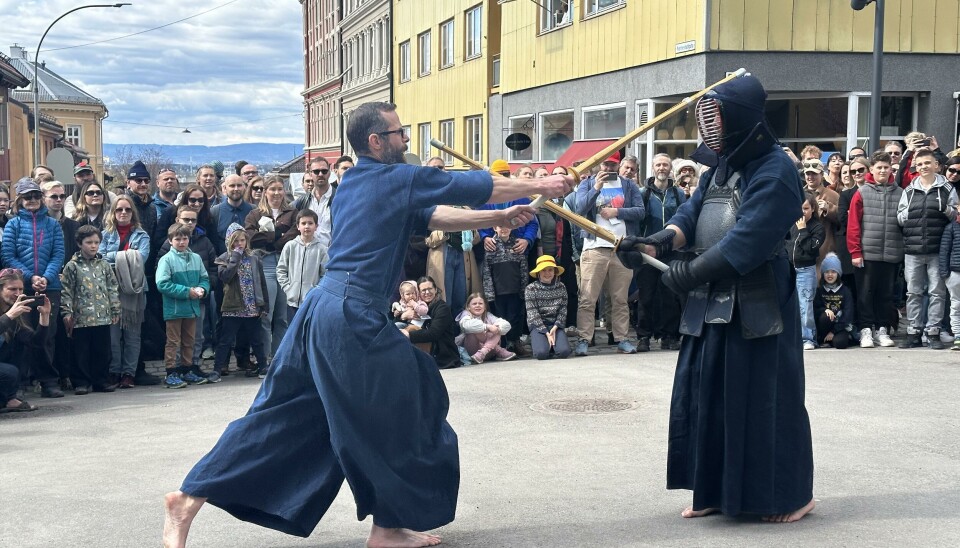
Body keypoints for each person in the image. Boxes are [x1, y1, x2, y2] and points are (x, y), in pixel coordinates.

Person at [163, 101, 575, 548]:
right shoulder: (395, 177)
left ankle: (188, 498)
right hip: (351, 316)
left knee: (287, 412)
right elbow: (472, 184)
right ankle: (388, 527)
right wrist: (544, 184)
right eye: (399, 133)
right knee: (414, 400)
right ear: (376, 141)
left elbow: (433, 215)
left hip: (322, 312)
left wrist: (498, 217)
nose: (406, 140)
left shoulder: (355, 183)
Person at [617, 74, 814, 522]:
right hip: (712, 299)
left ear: (739, 118)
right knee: (706, 395)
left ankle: (791, 495)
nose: (710, 127)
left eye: (717, 117)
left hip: (759, 301)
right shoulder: (721, 167)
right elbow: (691, 213)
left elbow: (747, 241)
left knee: (766, 400)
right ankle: (714, 491)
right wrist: (655, 244)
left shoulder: (777, 170)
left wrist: (686, 274)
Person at [1, 178, 66, 398]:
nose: (32, 200)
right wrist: (31, 277)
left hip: (50, 287)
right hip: (24, 288)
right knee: (22, 334)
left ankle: (48, 381)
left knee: (47, 335)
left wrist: (46, 277)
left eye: (36, 196)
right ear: (20, 199)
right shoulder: (13, 224)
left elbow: (59, 253)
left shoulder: (53, 224)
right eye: (27, 197)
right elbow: (8, 256)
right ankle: (18, 382)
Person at [896, 148, 957, 349]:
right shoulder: (909, 190)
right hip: (912, 250)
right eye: (920, 164)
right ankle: (914, 331)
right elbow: (900, 217)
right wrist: (908, 217)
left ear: (936, 165)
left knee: (937, 292)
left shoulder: (947, 188)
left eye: (927, 163)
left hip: (937, 249)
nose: (923, 167)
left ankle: (933, 332)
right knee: (913, 292)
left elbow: (955, 215)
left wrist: (946, 210)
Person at [846, 152, 903, 348]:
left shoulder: (901, 193)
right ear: (871, 169)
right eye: (879, 167)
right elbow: (853, 224)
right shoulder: (861, 193)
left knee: (886, 295)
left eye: (886, 167)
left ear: (891, 168)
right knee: (865, 294)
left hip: (891, 253)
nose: (883, 170)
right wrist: (855, 252)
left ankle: (882, 329)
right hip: (867, 253)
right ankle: (866, 330)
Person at [159, 206, 220, 382]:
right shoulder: (166, 260)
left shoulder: (195, 258)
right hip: (174, 308)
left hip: (193, 308)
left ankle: (187, 370)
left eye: (184, 238)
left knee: (189, 341)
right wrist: (187, 292)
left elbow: (204, 278)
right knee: (173, 342)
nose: (181, 242)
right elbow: (162, 284)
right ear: (170, 241)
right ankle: (171, 372)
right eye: (177, 239)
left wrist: (203, 289)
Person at [244, 176, 298, 368]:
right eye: (272, 189)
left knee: (282, 317)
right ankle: (265, 359)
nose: (276, 193)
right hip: (265, 264)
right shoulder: (254, 214)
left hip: (287, 265)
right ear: (265, 192)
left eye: (279, 189)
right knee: (266, 314)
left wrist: (270, 237)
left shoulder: (292, 213)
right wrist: (278, 234)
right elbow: (252, 238)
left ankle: (279, 357)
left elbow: (293, 235)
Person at [60, 225, 120, 394]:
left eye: (96, 242)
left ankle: (100, 380)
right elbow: (67, 291)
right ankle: (81, 382)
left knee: (102, 350)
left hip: (102, 316)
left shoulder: (104, 265)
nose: (93, 246)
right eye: (89, 242)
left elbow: (112, 288)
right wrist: (67, 313)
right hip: (81, 317)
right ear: (79, 244)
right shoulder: (72, 266)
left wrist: (115, 309)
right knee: (81, 351)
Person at [100, 196, 150, 388]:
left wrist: (118, 258)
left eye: (127, 210)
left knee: (132, 336)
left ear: (132, 213)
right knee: (112, 336)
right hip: (111, 290)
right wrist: (129, 255)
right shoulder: (105, 235)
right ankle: (114, 371)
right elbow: (102, 259)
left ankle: (129, 373)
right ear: (113, 212)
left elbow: (142, 258)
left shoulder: (142, 235)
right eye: (119, 209)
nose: (123, 213)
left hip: (135, 291)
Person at [212, 224, 269, 379]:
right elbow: (225, 277)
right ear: (230, 242)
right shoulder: (224, 258)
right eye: (236, 241)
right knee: (226, 340)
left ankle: (263, 366)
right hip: (233, 306)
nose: (240, 244)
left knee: (256, 340)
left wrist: (264, 305)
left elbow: (262, 283)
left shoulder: (254, 259)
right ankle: (217, 369)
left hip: (251, 305)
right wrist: (235, 258)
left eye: (242, 240)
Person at [0, 269, 50, 411]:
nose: (18, 293)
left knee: (21, 348)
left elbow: (36, 343)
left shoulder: (16, 312)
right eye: (12, 289)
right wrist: (9, 316)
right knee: (9, 372)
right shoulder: (12, 312)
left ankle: (10, 398)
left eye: (21, 289)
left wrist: (44, 317)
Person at [481, 225, 528, 356]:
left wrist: (524, 289)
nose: (504, 229)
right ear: (494, 228)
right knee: (500, 318)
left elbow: (523, 268)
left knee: (516, 317)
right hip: (498, 291)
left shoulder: (517, 244)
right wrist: (489, 293)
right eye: (500, 226)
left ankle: (515, 342)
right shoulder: (491, 245)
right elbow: (486, 272)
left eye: (507, 226)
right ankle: (502, 345)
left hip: (515, 289)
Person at [787, 193, 825, 350]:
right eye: (800, 208)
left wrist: (803, 230)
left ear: (813, 209)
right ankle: (790, 338)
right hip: (788, 268)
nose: (802, 212)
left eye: (806, 208)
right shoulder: (790, 223)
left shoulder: (818, 227)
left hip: (805, 269)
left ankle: (807, 338)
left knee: (805, 304)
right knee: (788, 304)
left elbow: (811, 248)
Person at [277, 209, 328, 320]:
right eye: (303, 223)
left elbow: (325, 274)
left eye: (310, 223)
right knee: (292, 331)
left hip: (311, 301)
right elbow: (281, 269)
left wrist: (316, 291)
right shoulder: (290, 246)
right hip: (292, 302)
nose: (307, 226)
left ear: (316, 226)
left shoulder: (322, 249)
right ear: (298, 226)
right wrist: (287, 288)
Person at [525, 255, 571, 360]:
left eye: (550, 270)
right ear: (538, 273)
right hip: (538, 325)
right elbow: (533, 314)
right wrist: (546, 333)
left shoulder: (561, 287)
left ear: (554, 271)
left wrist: (555, 328)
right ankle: (544, 344)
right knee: (541, 354)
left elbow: (563, 310)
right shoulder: (531, 289)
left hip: (555, 325)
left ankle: (553, 345)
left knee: (564, 352)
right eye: (543, 270)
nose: (547, 273)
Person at [456, 292, 516, 363]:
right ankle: (499, 350)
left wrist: (497, 329)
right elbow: (466, 326)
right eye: (474, 304)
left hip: (486, 353)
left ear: (485, 307)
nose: (477, 306)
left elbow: (506, 325)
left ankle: (482, 353)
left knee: (497, 327)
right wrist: (487, 327)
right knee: (474, 329)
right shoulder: (465, 314)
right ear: (468, 307)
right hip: (472, 352)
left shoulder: (488, 315)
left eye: (480, 303)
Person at [814, 252, 855, 349]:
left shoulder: (845, 291)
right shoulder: (820, 291)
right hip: (824, 324)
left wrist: (833, 332)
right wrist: (825, 310)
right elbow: (815, 308)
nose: (830, 275)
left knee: (840, 343)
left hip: (840, 326)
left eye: (833, 272)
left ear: (838, 273)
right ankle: (823, 338)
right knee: (825, 316)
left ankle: (835, 338)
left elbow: (848, 314)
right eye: (827, 272)